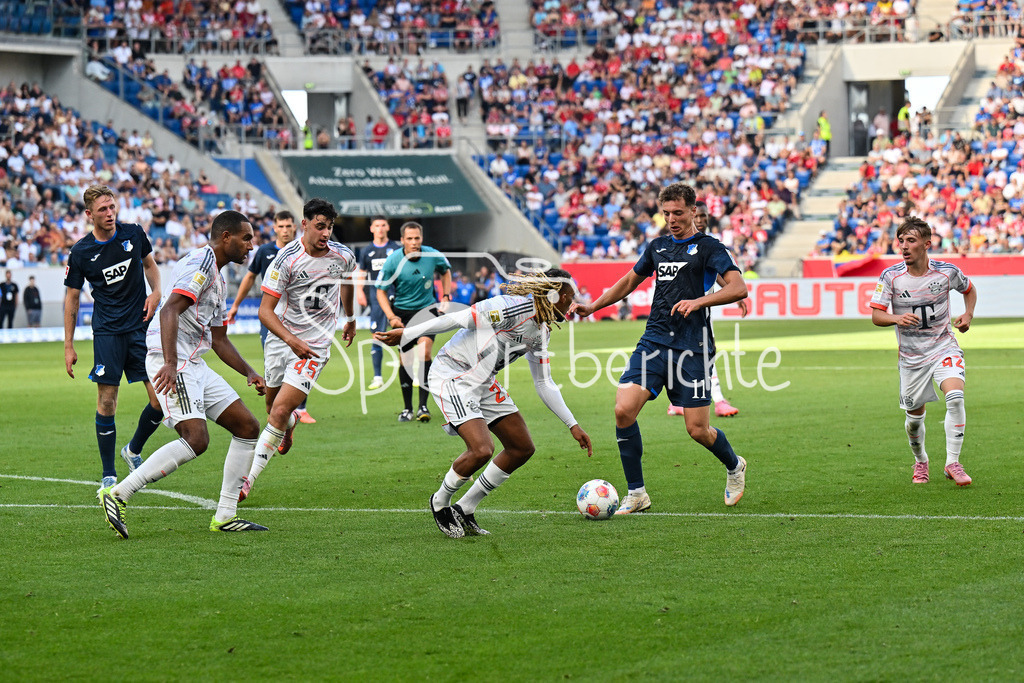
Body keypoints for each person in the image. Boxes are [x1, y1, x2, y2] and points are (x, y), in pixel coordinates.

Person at [375, 268, 593, 538]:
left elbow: (543, 382)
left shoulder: (542, 331)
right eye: (569, 297)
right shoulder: (508, 308)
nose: (573, 304)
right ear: (552, 295)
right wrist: (409, 333)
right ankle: (440, 501)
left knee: (521, 448)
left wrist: (572, 424)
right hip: (452, 372)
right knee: (481, 449)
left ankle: (465, 507)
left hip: (483, 379)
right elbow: (456, 318)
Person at [573, 182, 749, 512]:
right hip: (653, 341)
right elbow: (628, 281)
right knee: (623, 409)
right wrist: (593, 306)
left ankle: (734, 466)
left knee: (698, 430)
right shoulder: (658, 247)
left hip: (693, 348)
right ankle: (637, 493)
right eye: (666, 213)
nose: (671, 219)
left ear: (694, 211)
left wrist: (699, 301)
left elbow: (739, 287)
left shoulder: (710, 248)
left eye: (678, 212)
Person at [98, 210, 268, 538]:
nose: (251, 245)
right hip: (171, 359)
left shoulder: (217, 277)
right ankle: (118, 493)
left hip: (193, 361)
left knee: (247, 427)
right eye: (246, 238)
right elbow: (169, 310)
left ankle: (225, 515)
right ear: (226, 237)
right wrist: (171, 363)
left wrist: (248, 372)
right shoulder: (202, 265)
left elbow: (218, 339)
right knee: (196, 438)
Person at [240, 198, 357, 501]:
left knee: (278, 409)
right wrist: (291, 341)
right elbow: (265, 312)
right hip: (283, 340)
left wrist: (351, 317)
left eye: (330, 227)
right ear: (304, 225)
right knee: (272, 408)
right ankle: (289, 426)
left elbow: (347, 281)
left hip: (315, 344)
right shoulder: (284, 259)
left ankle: (247, 479)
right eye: (320, 226)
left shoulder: (343, 255)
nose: (326, 233)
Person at [63, 185, 164, 491]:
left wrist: (157, 291)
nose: (109, 214)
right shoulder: (81, 252)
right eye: (103, 209)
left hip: (140, 327)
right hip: (107, 332)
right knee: (107, 401)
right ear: (89, 214)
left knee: (160, 400)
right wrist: (68, 345)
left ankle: (133, 450)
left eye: (112, 207)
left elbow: (150, 266)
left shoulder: (133, 234)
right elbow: (72, 298)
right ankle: (109, 474)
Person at [869, 216, 977, 486]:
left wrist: (968, 314)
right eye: (901, 241)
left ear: (927, 244)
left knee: (955, 396)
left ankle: (953, 462)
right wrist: (897, 318)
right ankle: (921, 462)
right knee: (914, 421)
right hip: (911, 358)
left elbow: (969, 289)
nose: (904, 246)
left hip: (943, 346)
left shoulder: (946, 272)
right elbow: (876, 315)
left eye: (911, 241)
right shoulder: (891, 276)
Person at [227, 210, 316, 424]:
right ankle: (278, 411)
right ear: (274, 228)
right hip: (271, 318)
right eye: (281, 226)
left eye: (288, 226)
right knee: (274, 365)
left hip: (298, 319)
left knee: (301, 362)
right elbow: (250, 277)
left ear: (295, 227)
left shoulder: (304, 251)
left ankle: (300, 409)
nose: (285, 230)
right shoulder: (265, 251)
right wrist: (236, 305)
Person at [667, 201, 746, 418]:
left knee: (697, 351)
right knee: (700, 351)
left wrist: (732, 291)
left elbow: (717, 272)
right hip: (682, 306)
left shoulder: (708, 244)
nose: (701, 220)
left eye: (704, 216)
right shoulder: (678, 242)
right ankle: (718, 401)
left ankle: (678, 402)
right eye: (698, 216)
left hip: (700, 308)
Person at [374, 221, 452, 422]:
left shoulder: (432, 254)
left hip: (427, 311)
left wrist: (446, 296)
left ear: (421, 238)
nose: (414, 242)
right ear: (402, 241)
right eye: (409, 239)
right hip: (402, 315)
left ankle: (423, 406)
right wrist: (391, 316)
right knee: (406, 360)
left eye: (417, 238)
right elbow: (380, 291)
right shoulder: (393, 261)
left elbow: (446, 270)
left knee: (424, 351)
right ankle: (407, 408)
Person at [355, 216, 400, 390]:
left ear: (388, 227)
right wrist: (359, 291)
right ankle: (378, 377)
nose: (380, 229)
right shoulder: (367, 251)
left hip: (396, 294)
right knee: (377, 335)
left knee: (404, 332)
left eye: (383, 225)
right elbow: (362, 272)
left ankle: (411, 371)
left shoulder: (396, 248)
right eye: (377, 226)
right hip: (376, 297)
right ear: (371, 229)